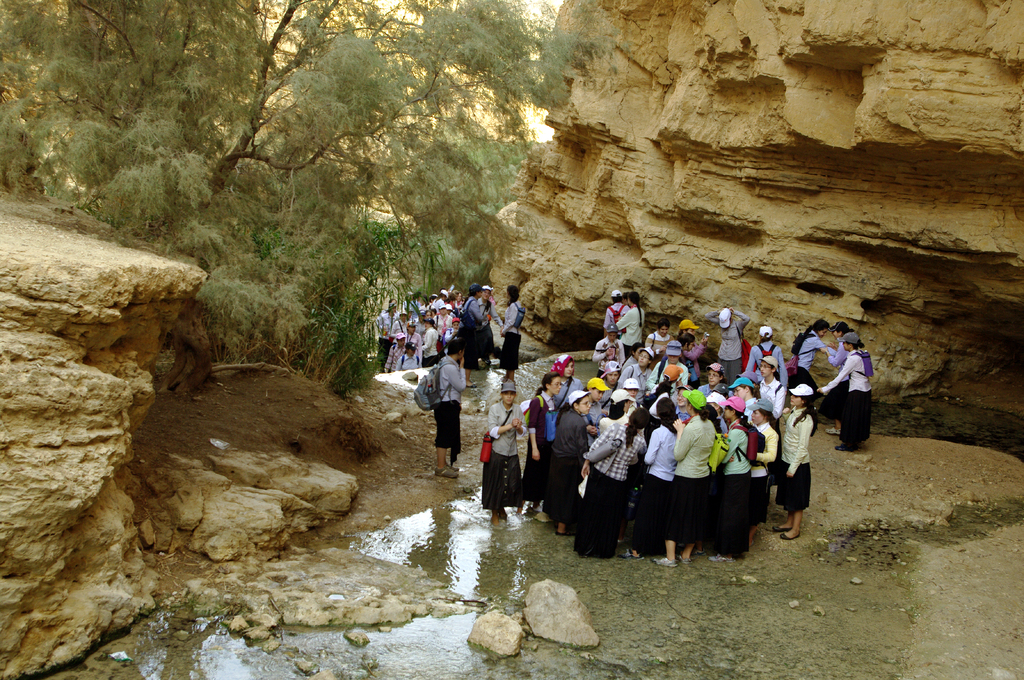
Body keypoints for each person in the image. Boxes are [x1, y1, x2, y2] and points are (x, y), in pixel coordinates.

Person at [576, 408, 650, 558]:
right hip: (618, 481)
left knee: (591, 512)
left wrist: (587, 462)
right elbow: (634, 460)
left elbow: (596, 446)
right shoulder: (640, 441)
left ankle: (585, 547)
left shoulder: (615, 428)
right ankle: (604, 550)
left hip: (600, 475)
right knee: (610, 517)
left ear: (630, 417)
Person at [655, 390, 717, 566]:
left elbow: (678, 454)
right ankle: (686, 554)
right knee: (695, 515)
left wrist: (680, 432)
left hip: (686, 476)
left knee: (675, 515)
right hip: (702, 475)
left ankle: (670, 557)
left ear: (690, 406)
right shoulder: (710, 425)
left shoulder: (691, 427)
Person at [622, 399, 679, 559]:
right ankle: (657, 546)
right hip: (670, 477)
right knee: (661, 514)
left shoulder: (658, 433)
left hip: (655, 476)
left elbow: (648, 459)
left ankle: (637, 549)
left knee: (645, 515)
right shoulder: (677, 432)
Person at [710, 396, 752, 563]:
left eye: (727, 408)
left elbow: (725, 456)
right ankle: (732, 549)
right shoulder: (738, 428)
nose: (724, 411)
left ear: (733, 412)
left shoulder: (735, 432)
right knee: (735, 512)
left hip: (735, 476)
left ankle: (727, 552)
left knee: (731, 513)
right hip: (740, 475)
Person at [774, 384, 817, 540]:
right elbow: (792, 430)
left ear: (804, 400)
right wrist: (787, 416)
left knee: (797, 497)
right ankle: (789, 522)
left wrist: (793, 468)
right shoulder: (795, 412)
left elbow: (802, 447)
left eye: (796, 396)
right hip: (787, 458)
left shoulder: (806, 419)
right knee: (789, 494)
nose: (792, 397)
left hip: (798, 463)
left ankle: (796, 528)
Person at [547, 390, 592, 536]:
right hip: (569, 463)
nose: (589, 406)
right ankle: (562, 529)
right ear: (576, 406)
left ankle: (556, 521)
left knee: (557, 492)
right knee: (568, 495)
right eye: (585, 403)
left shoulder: (564, 414)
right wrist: (585, 465)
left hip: (557, 459)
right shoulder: (579, 422)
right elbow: (582, 448)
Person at [819, 331, 872, 452]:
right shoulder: (861, 353)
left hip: (856, 390)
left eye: (844, 343)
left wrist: (825, 389)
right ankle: (856, 440)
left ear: (850, 345)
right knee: (860, 417)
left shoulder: (853, 358)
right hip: (865, 389)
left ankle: (848, 443)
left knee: (850, 416)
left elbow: (840, 376)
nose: (842, 345)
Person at [521, 371, 564, 514]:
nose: (559, 387)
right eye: (556, 384)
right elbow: (532, 426)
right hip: (538, 443)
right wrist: (534, 448)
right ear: (547, 385)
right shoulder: (537, 401)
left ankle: (536, 503)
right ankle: (520, 507)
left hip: (548, 444)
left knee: (543, 475)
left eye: (560, 384)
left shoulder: (553, 401)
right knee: (531, 475)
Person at [483, 381, 526, 524]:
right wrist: (510, 425)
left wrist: (519, 427)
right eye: (506, 394)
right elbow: (493, 431)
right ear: (501, 395)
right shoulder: (494, 409)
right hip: (497, 451)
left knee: (510, 483)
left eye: (511, 394)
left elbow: (523, 432)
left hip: (512, 452)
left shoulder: (518, 409)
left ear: (515, 395)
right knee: (495, 484)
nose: (509, 396)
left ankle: (502, 508)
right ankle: (494, 513)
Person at [433, 338, 467, 478]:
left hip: (444, 403)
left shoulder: (444, 361)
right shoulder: (451, 367)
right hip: (447, 405)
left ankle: (444, 464)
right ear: (460, 352)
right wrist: (462, 368)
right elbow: (461, 386)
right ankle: (440, 468)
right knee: (444, 436)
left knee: (446, 433)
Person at [748, 398, 779, 548]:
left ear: (765, 416)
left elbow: (771, 456)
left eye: (756, 413)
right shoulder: (750, 426)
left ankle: (750, 536)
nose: (752, 415)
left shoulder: (771, 434)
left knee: (755, 508)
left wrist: (753, 455)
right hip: (745, 472)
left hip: (759, 474)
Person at [818, 321, 852, 435]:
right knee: (839, 402)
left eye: (834, 331)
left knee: (834, 401)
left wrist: (827, 352)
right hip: (848, 378)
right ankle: (840, 426)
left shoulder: (843, 344)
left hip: (844, 379)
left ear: (840, 332)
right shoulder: (846, 344)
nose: (832, 333)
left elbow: (836, 362)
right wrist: (837, 350)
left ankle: (838, 427)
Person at [704, 307, 750, 385]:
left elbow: (747, 319)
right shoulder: (721, 322)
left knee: (733, 381)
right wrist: (718, 312)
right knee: (721, 380)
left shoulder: (738, 325)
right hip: (722, 356)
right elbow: (708, 316)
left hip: (734, 358)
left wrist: (734, 312)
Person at [790, 319, 831, 391]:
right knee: (812, 392)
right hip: (802, 369)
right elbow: (827, 350)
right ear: (818, 330)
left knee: (796, 391)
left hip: (795, 367)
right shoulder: (814, 340)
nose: (824, 334)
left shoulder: (808, 334)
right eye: (824, 332)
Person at [460, 284, 486, 383]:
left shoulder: (468, 300)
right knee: (470, 355)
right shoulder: (474, 302)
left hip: (463, 330)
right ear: (477, 292)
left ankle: (462, 378)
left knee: (462, 354)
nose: (482, 293)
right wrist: (485, 316)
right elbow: (479, 317)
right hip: (468, 331)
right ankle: (467, 380)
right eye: (480, 291)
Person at [499, 285, 524, 382]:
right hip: (514, 334)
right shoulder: (518, 304)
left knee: (511, 358)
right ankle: (507, 377)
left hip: (512, 335)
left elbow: (511, 322)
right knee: (508, 356)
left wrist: (503, 331)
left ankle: (511, 380)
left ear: (508, 293)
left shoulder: (513, 306)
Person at [477, 285, 498, 365]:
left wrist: (501, 325)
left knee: (489, 337)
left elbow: (495, 316)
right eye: (485, 292)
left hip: (485, 324)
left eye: (488, 293)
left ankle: (486, 356)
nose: (486, 294)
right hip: (476, 326)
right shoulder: (476, 302)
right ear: (481, 293)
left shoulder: (489, 304)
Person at [585, 378, 609, 444]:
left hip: (594, 441)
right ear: (590, 389)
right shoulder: (581, 404)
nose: (601, 396)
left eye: (603, 393)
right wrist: (586, 428)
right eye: (599, 392)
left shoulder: (598, 405)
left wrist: (598, 429)